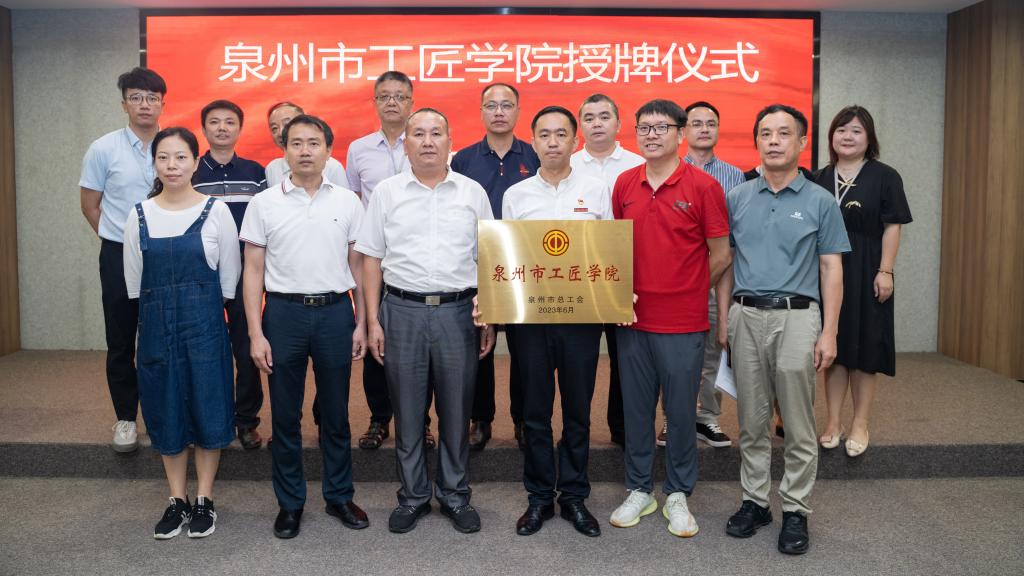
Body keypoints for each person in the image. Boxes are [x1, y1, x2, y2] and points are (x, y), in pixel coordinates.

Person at [356, 108, 496, 534]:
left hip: (459, 311)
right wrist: (373, 320)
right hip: (402, 312)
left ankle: (455, 494)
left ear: (450, 140)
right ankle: (413, 496)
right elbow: (371, 259)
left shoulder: (472, 192)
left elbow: (490, 256)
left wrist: (490, 313)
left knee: (457, 410)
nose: (428, 141)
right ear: (407, 143)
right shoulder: (387, 193)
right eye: (419, 134)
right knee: (408, 411)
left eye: (437, 133)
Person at [720, 104, 850, 555]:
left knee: (796, 422)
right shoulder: (738, 197)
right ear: (756, 141)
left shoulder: (820, 200)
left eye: (783, 133)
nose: (773, 141)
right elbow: (727, 264)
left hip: (797, 316)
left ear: (801, 142)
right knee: (751, 420)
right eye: (765, 133)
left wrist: (829, 332)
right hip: (745, 315)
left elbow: (832, 268)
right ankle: (755, 502)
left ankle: (795, 509)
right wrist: (726, 319)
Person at [240, 115, 369, 539]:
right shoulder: (264, 203)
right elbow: (253, 270)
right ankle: (290, 503)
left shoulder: (348, 202)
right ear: (284, 150)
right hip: (283, 315)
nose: (305, 150)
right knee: (285, 416)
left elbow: (358, 266)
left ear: (329, 151)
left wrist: (362, 321)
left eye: (314, 143)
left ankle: (339, 496)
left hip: (335, 313)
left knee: (335, 413)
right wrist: (255, 332)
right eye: (296, 143)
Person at [608, 100, 731, 538]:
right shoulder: (625, 183)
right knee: (637, 411)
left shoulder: (704, 186)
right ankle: (640, 488)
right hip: (633, 320)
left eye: (661, 127)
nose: (652, 135)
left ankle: (678, 492)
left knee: (679, 412)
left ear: (680, 133)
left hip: (683, 321)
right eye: (644, 128)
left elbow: (721, 254)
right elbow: (616, 248)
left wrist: (689, 287)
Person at [123, 127, 240, 539]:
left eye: (180, 157)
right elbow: (134, 287)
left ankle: (205, 498)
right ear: (154, 164)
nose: (172, 166)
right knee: (165, 407)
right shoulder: (138, 215)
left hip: (205, 329)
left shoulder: (216, 211)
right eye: (163, 158)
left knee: (209, 406)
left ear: (194, 162)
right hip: (156, 330)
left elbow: (229, 281)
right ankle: (177, 499)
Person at [503, 106, 611, 538]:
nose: (552, 142)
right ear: (532, 142)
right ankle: (538, 498)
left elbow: (608, 251)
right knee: (534, 411)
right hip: (530, 318)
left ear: (574, 140)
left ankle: (574, 496)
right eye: (544, 134)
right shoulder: (516, 194)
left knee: (578, 409)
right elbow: (506, 256)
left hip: (581, 318)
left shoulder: (597, 190)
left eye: (561, 134)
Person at [814, 105, 912, 457]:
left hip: (868, 268)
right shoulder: (819, 178)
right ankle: (833, 421)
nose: (847, 136)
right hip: (827, 271)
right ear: (832, 137)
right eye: (841, 130)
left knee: (867, 349)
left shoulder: (885, 176)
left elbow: (892, 225)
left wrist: (885, 271)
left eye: (856, 130)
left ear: (869, 138)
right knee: (834, 348)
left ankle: (860, 423)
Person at [345, 71, 435, 451]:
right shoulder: (359, 149)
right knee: (375, 335)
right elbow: (353, 202)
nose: (392, 102)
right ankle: (379, 418)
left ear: (412, 101)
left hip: (417, 257)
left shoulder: (429, 144)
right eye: (385, 96)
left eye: (400, 96)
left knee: (422, 346)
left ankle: (421, 423)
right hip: (375, 259)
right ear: (375, 102)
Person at [80, 67, 167, 452]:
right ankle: (126, 419)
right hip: (118, 252)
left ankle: (165, 415)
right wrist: (119, 239)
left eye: (151, 98)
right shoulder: (103, 148)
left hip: (166, 253)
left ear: (162, 103)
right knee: (120, 338)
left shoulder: (174, 144)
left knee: (163, 338)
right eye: (136, 97)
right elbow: (90, 205)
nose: (144, 104)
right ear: (124, 104)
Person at [451, 83, 540, 451]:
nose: (499, 112)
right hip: (477, 263)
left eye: (506, 105)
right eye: (491, 105)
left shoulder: (535, 155)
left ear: (518, 111)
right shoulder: (462, 160)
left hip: (527, 267)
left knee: (525, 348)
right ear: (481, 112)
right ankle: (481, 418)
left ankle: (523, 419)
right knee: (480, 346)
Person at [192, 99, 267, 450]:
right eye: (214, 122)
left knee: (247, 346)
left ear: (239, 128)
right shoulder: (191, 170)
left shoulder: (255, 172)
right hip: (200, 273)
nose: (222, 128)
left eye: (229, 122)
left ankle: (247, 420)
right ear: (204, 128)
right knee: (203, 350)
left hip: (244, 273)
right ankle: (208, 419)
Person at [569, 93, 643, 448]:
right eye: (589, 118)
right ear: (579, 126)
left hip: (624, 274)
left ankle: (621, 426)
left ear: (618, 123)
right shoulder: (568, 164)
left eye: (604, 116)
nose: (596, 123)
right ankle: (576, 429)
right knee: (578, 359)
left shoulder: (638, 164)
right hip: (577, 278)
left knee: (624, 356)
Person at [673, 100, 746, 449]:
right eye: (697, 123)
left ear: (718, 129)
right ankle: (675, 419)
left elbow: (732, 238)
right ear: (683, 131)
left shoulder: (735, 176)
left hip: (719, 277)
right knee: (675, 354)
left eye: (711, 123)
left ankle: (707, 417)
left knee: (714, 349)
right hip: (677, 280)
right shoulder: (670, 170)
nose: (704, 129)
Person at [264, 102, 347, 188]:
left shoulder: (332, 167)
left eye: (287, 124)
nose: (281, 132)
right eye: (274, 128)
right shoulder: (272, 169)